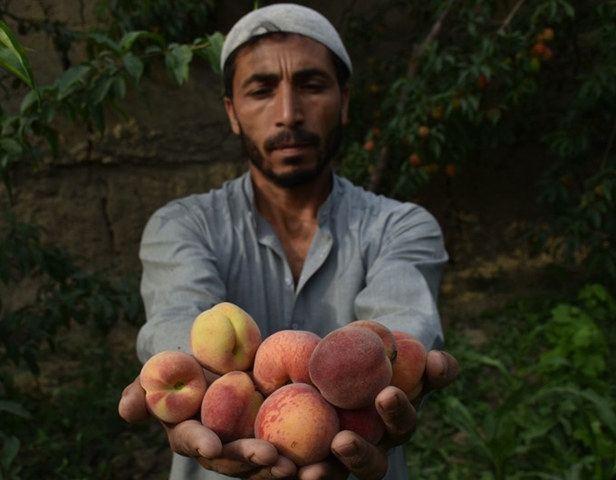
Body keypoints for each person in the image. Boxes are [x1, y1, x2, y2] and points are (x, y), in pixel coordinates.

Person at [118, 4, 459, 479]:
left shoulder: (401, 226)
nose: (288, 114)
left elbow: (400, 341)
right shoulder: (183, 225)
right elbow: (177, 319)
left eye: (312, 85)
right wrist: (188, 376)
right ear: (232, 113)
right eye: (261, 90)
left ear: (344, 101)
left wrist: (383, 378)